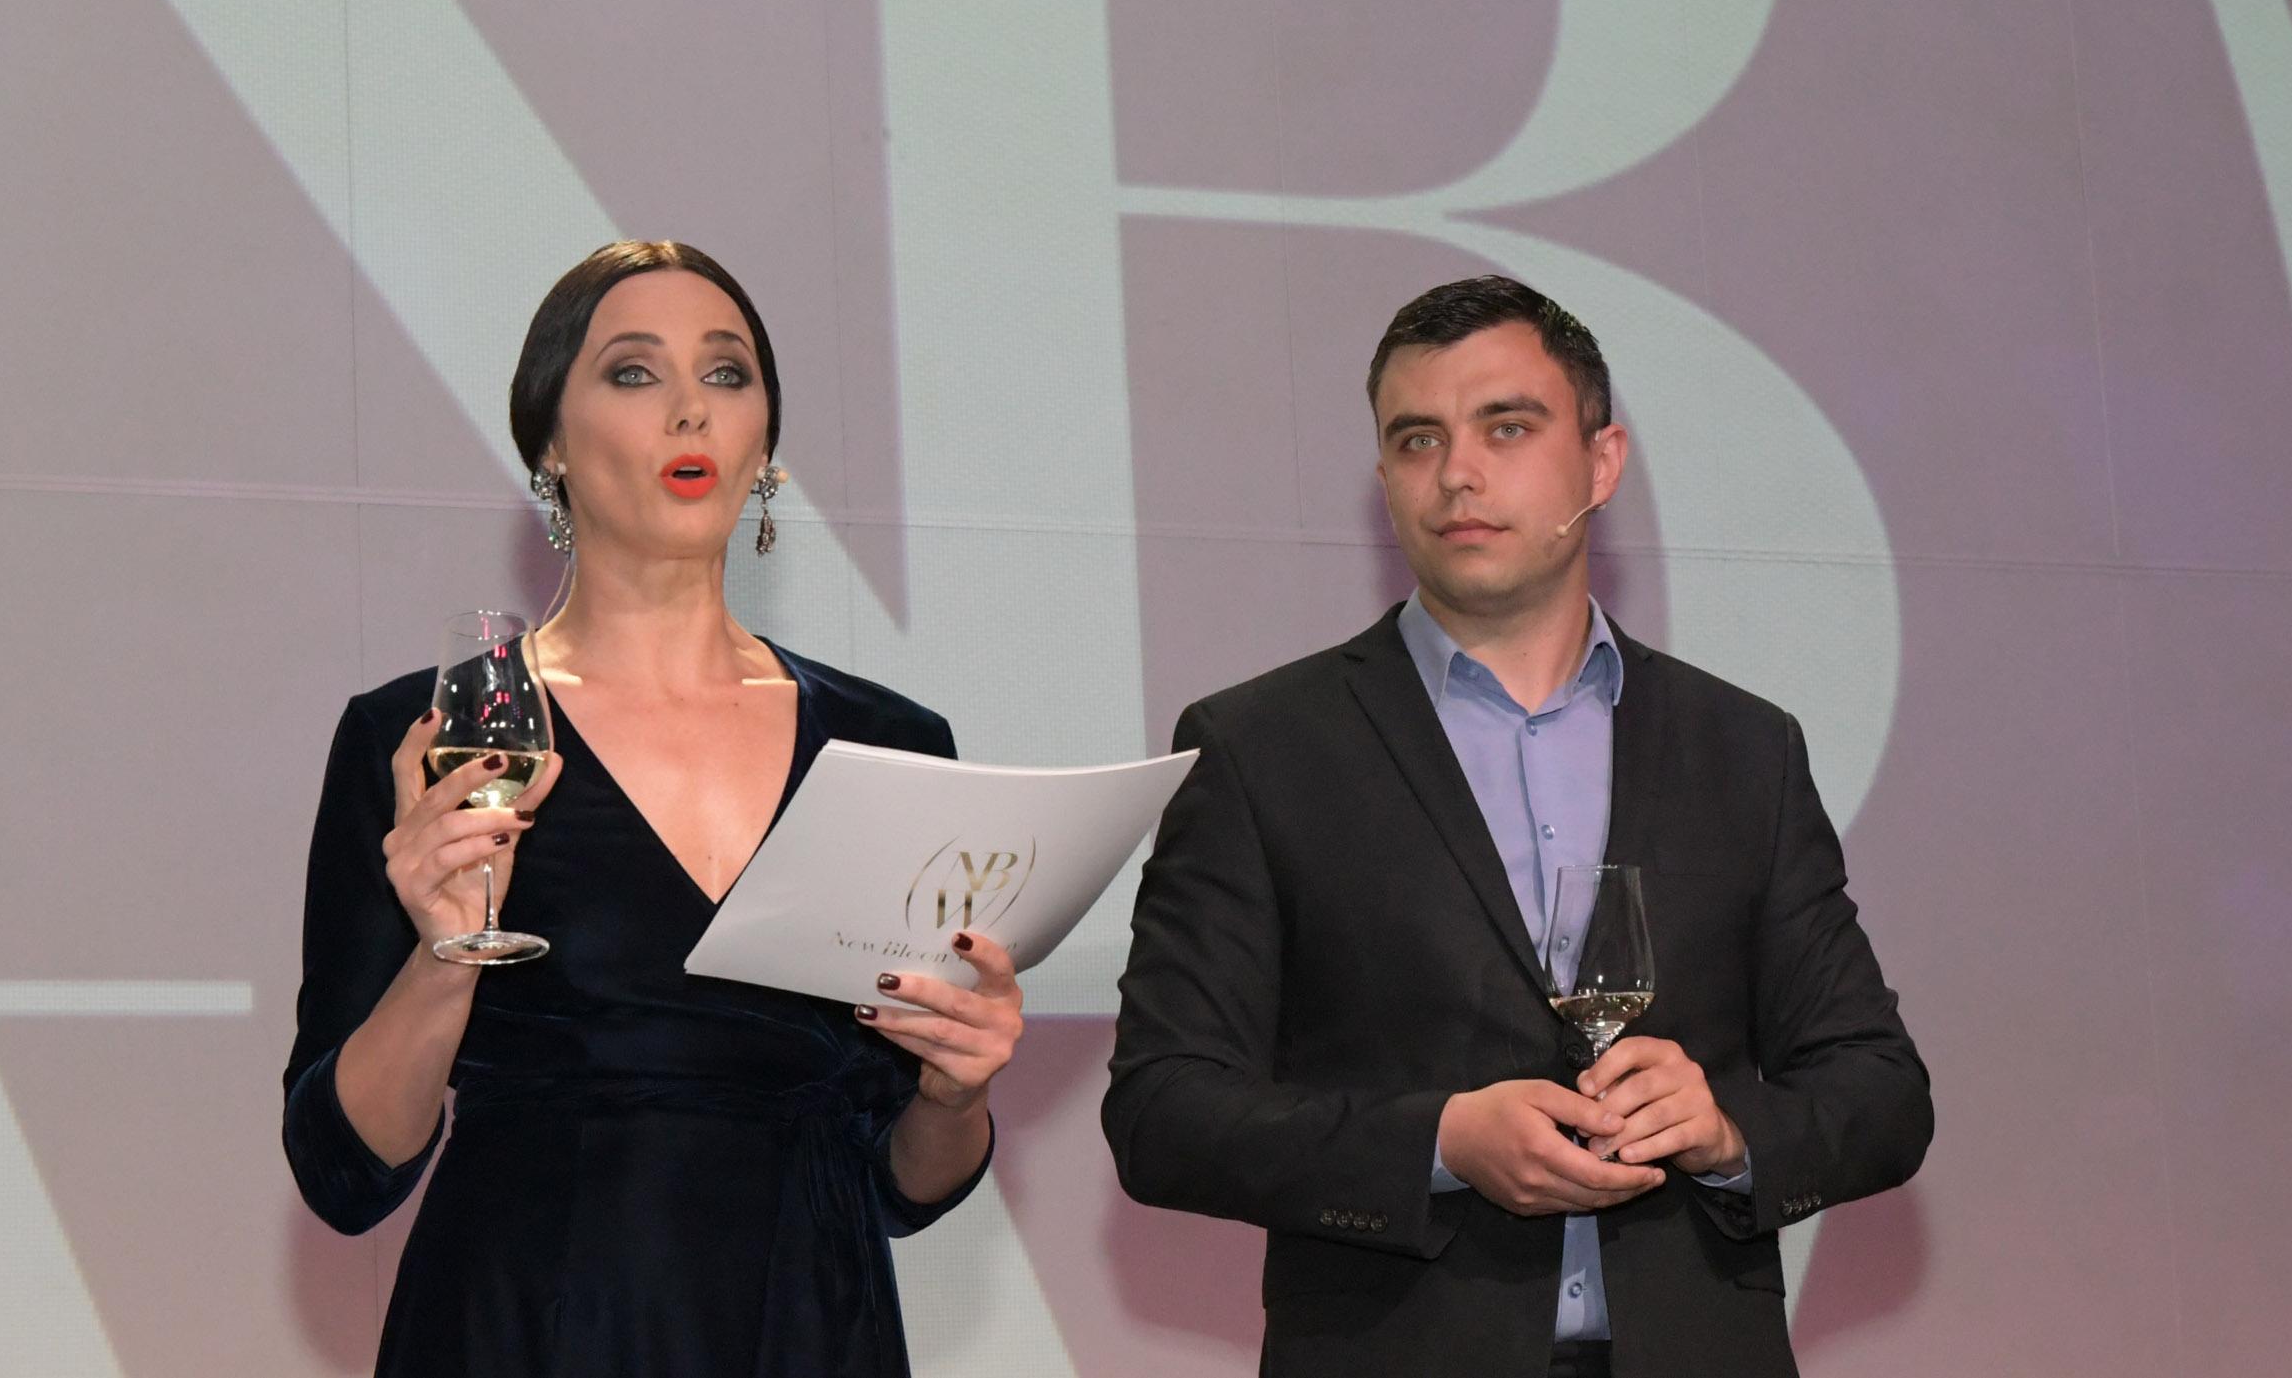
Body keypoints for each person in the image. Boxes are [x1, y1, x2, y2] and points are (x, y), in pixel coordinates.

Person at [1104, 275, 1930, 1378]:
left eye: (1507, 426)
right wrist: (1440, 1142)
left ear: (1602, 461)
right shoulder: (1262, 748)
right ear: (1385, 480)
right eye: (1416, 439)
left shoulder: (1743, 749)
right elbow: (1162, 1110)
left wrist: (1729, 1131)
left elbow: (1880, 1090)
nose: (1457, 472)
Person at [284, 240, 1022, 1376]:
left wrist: (957, 1089)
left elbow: (899, 1181)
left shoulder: (891, 745)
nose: (691, 409)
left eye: (726, 374)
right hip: (524, 1324)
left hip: (807, 1324)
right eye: (634, 372)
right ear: (548, 441)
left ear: (763, 445)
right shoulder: (439, 735)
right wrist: (442, 958)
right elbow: (345, 1174)